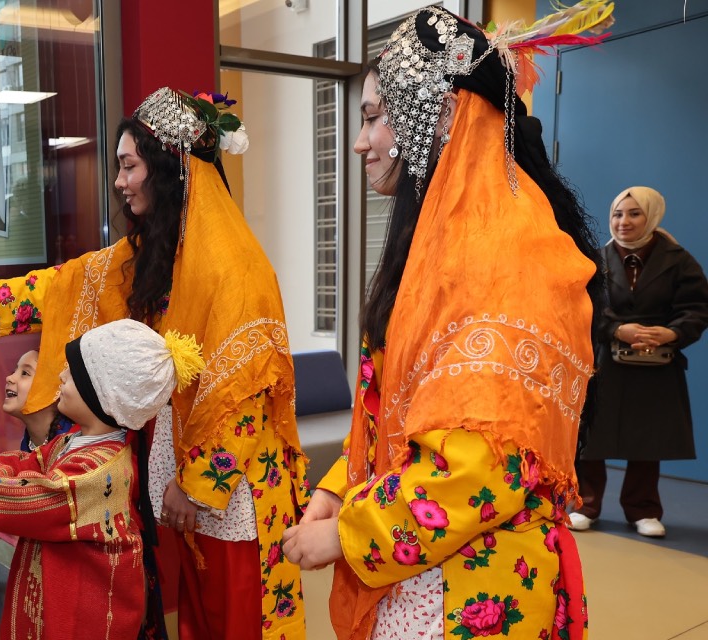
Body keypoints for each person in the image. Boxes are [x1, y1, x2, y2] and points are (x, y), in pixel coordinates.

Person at [0, 87, 309, 640]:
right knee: (201, 616)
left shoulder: (235, 269)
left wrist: (198, 484)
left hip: (236, 484)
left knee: (239, 616)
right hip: (186, 466)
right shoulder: (156, 251)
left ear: (168, 167)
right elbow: (72, 281)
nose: (119, 181)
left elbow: (245, 397)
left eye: (129, 166)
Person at [279, 6, 608, 639]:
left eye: (375, 117)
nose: (359, 140)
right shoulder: (446, 248)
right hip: (423, 578)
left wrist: (350, 531)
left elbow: (481, 467)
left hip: (474, 593)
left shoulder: (506, 255)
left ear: (438, 115)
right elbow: (407, 410)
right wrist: (335, 487)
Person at [0, 318, 203, 639]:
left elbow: (29, 497)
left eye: (73, 372)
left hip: (79, 621)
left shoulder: (95, 468)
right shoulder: (78, 444)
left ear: (101, 395)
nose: (61, 375)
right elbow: (22, 469)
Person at [570, 186, 708, 538]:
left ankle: (643, 509)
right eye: (617, 213)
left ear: (652, 216)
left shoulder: (678, 260)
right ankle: (586, 504)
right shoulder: (595, 259)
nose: (624, 221)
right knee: (592, 436)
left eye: (634, 214)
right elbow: (581, 308)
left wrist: (671, 334)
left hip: (658, 364)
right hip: (605, 360)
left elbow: (697, 308)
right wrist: (618, 329)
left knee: (649, 436)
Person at [1, 349, 75, 451]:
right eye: (14, 371)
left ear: (53, 392)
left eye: (25, 373)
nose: (9, 378)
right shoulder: (26, 445)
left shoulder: (76, 445)